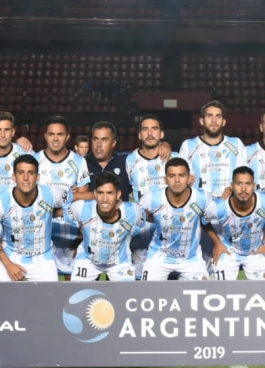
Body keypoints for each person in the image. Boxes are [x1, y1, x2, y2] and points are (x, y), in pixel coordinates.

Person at [0, 155, 74, 282]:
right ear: (14, 177)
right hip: (10, 256)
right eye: (21, 173)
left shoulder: (51, 193)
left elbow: (76, 199)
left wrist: (55, 212)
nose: (26, 178)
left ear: (37, 177)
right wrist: (8, 264)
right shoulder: (0, 199)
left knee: (52, 299)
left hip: (43, 258)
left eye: (30, 173)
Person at [139, 158, 214, 281]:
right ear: (165, 179)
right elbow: (135, 214)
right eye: (172, 176)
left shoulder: (202, 197)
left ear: (189, 177)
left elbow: (220, 212)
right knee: (148, 295)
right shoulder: (152, 198)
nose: (177, 180)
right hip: (158, 258)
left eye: (181, 175)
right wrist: (154, 217)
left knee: (200, 296)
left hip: (191, 259)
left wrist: (218, 243)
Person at [35, 116, 91, 278]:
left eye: (60, 134)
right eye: (51, 134)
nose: (55, 138)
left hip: (70, 231)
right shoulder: (36, 160)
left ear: (67, 136)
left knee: (70, 284)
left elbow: (83, 200)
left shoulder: (79, 162)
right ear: (45, 136)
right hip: (42, 233)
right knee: (44, 283)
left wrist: (82, 233)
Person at [125, 114, 179, 279]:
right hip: (141, 234)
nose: (150, 133)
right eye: (145, 129)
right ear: (139, 134)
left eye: (154, 129)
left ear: (162, 134)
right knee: (141, 284)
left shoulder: (175, 158)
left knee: (174, 282)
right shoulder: (129, 160)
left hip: (172, 232)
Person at [64, 171, 143, 281]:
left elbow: (151, 218)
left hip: (119, 264)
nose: (105, 199)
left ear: (118, 195)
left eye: (110, 193)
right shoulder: (82, 207)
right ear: (95, 194)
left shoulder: (133, 211)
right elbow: (58, 213)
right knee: (77, 294)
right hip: (88, 261)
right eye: (101, 193)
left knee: (126, 295)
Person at [204, 167, 265, 280]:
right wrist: (217, 243)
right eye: (239, 184)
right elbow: (204, 222)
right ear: (231, 186)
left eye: (248, 184)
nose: (243, 189)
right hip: (227, 251)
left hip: (256, 252)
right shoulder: (218, 206)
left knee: (262, 293)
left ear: (254, 185)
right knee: (220, 291)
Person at [180, 100, 247, 198]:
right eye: (209, 116)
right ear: (202, 121)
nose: (214, 120)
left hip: (229, 205)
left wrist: (233, 187)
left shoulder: (236, 144)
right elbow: (180, 178)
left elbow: (245, 176)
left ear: (224, 122)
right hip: (199, 206)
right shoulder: (188, 146)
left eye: (218, 116)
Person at [85, 121, 131, 199]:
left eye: (104, 140)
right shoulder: (82, 163)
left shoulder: (126, 161)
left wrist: (159, 146)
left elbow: (146, 153)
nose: (98, 144)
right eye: (95, 139)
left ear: (113, 143)